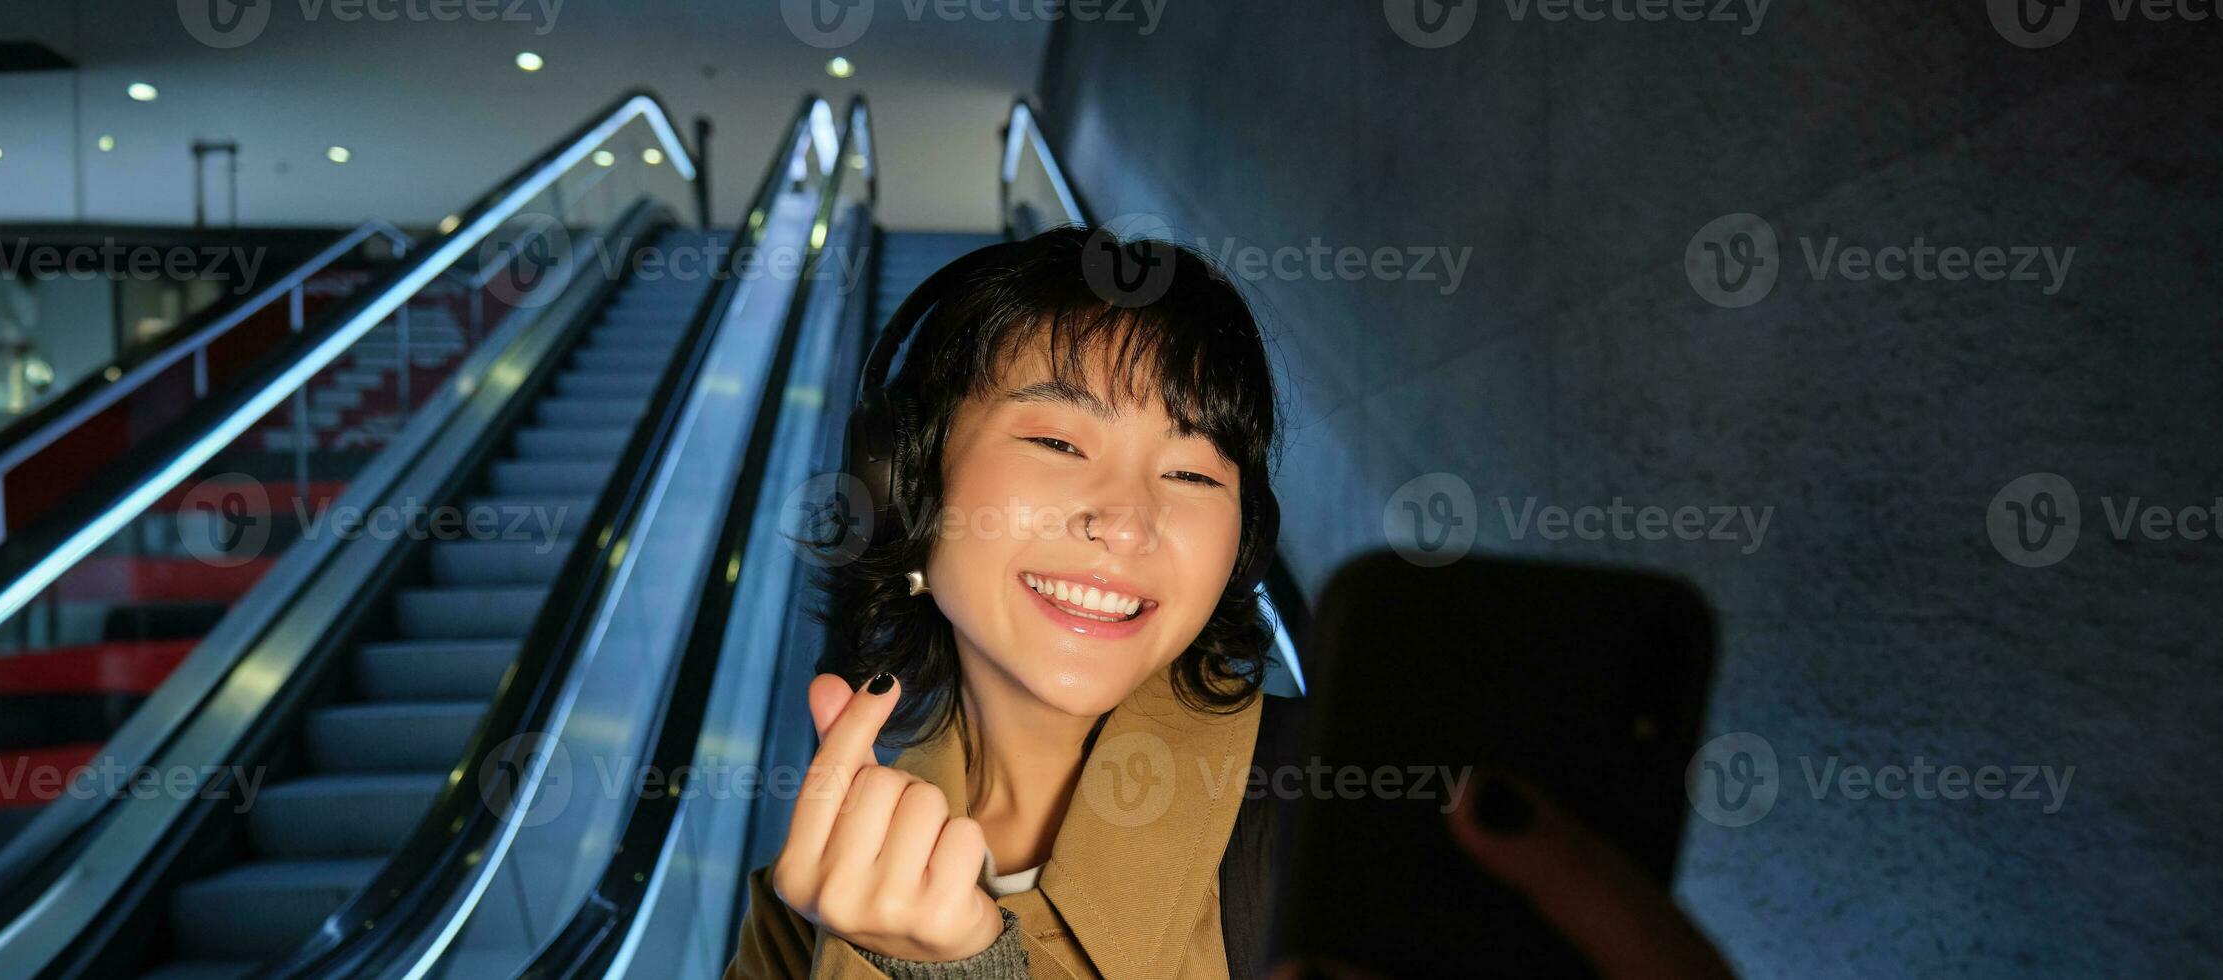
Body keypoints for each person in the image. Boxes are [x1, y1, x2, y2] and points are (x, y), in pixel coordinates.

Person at [724, 227, 1732, 979]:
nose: (1128, 520)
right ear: (908, 481)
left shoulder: (1353, 815)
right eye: (1060, 443)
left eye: (1195, 474)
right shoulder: (804, 906)